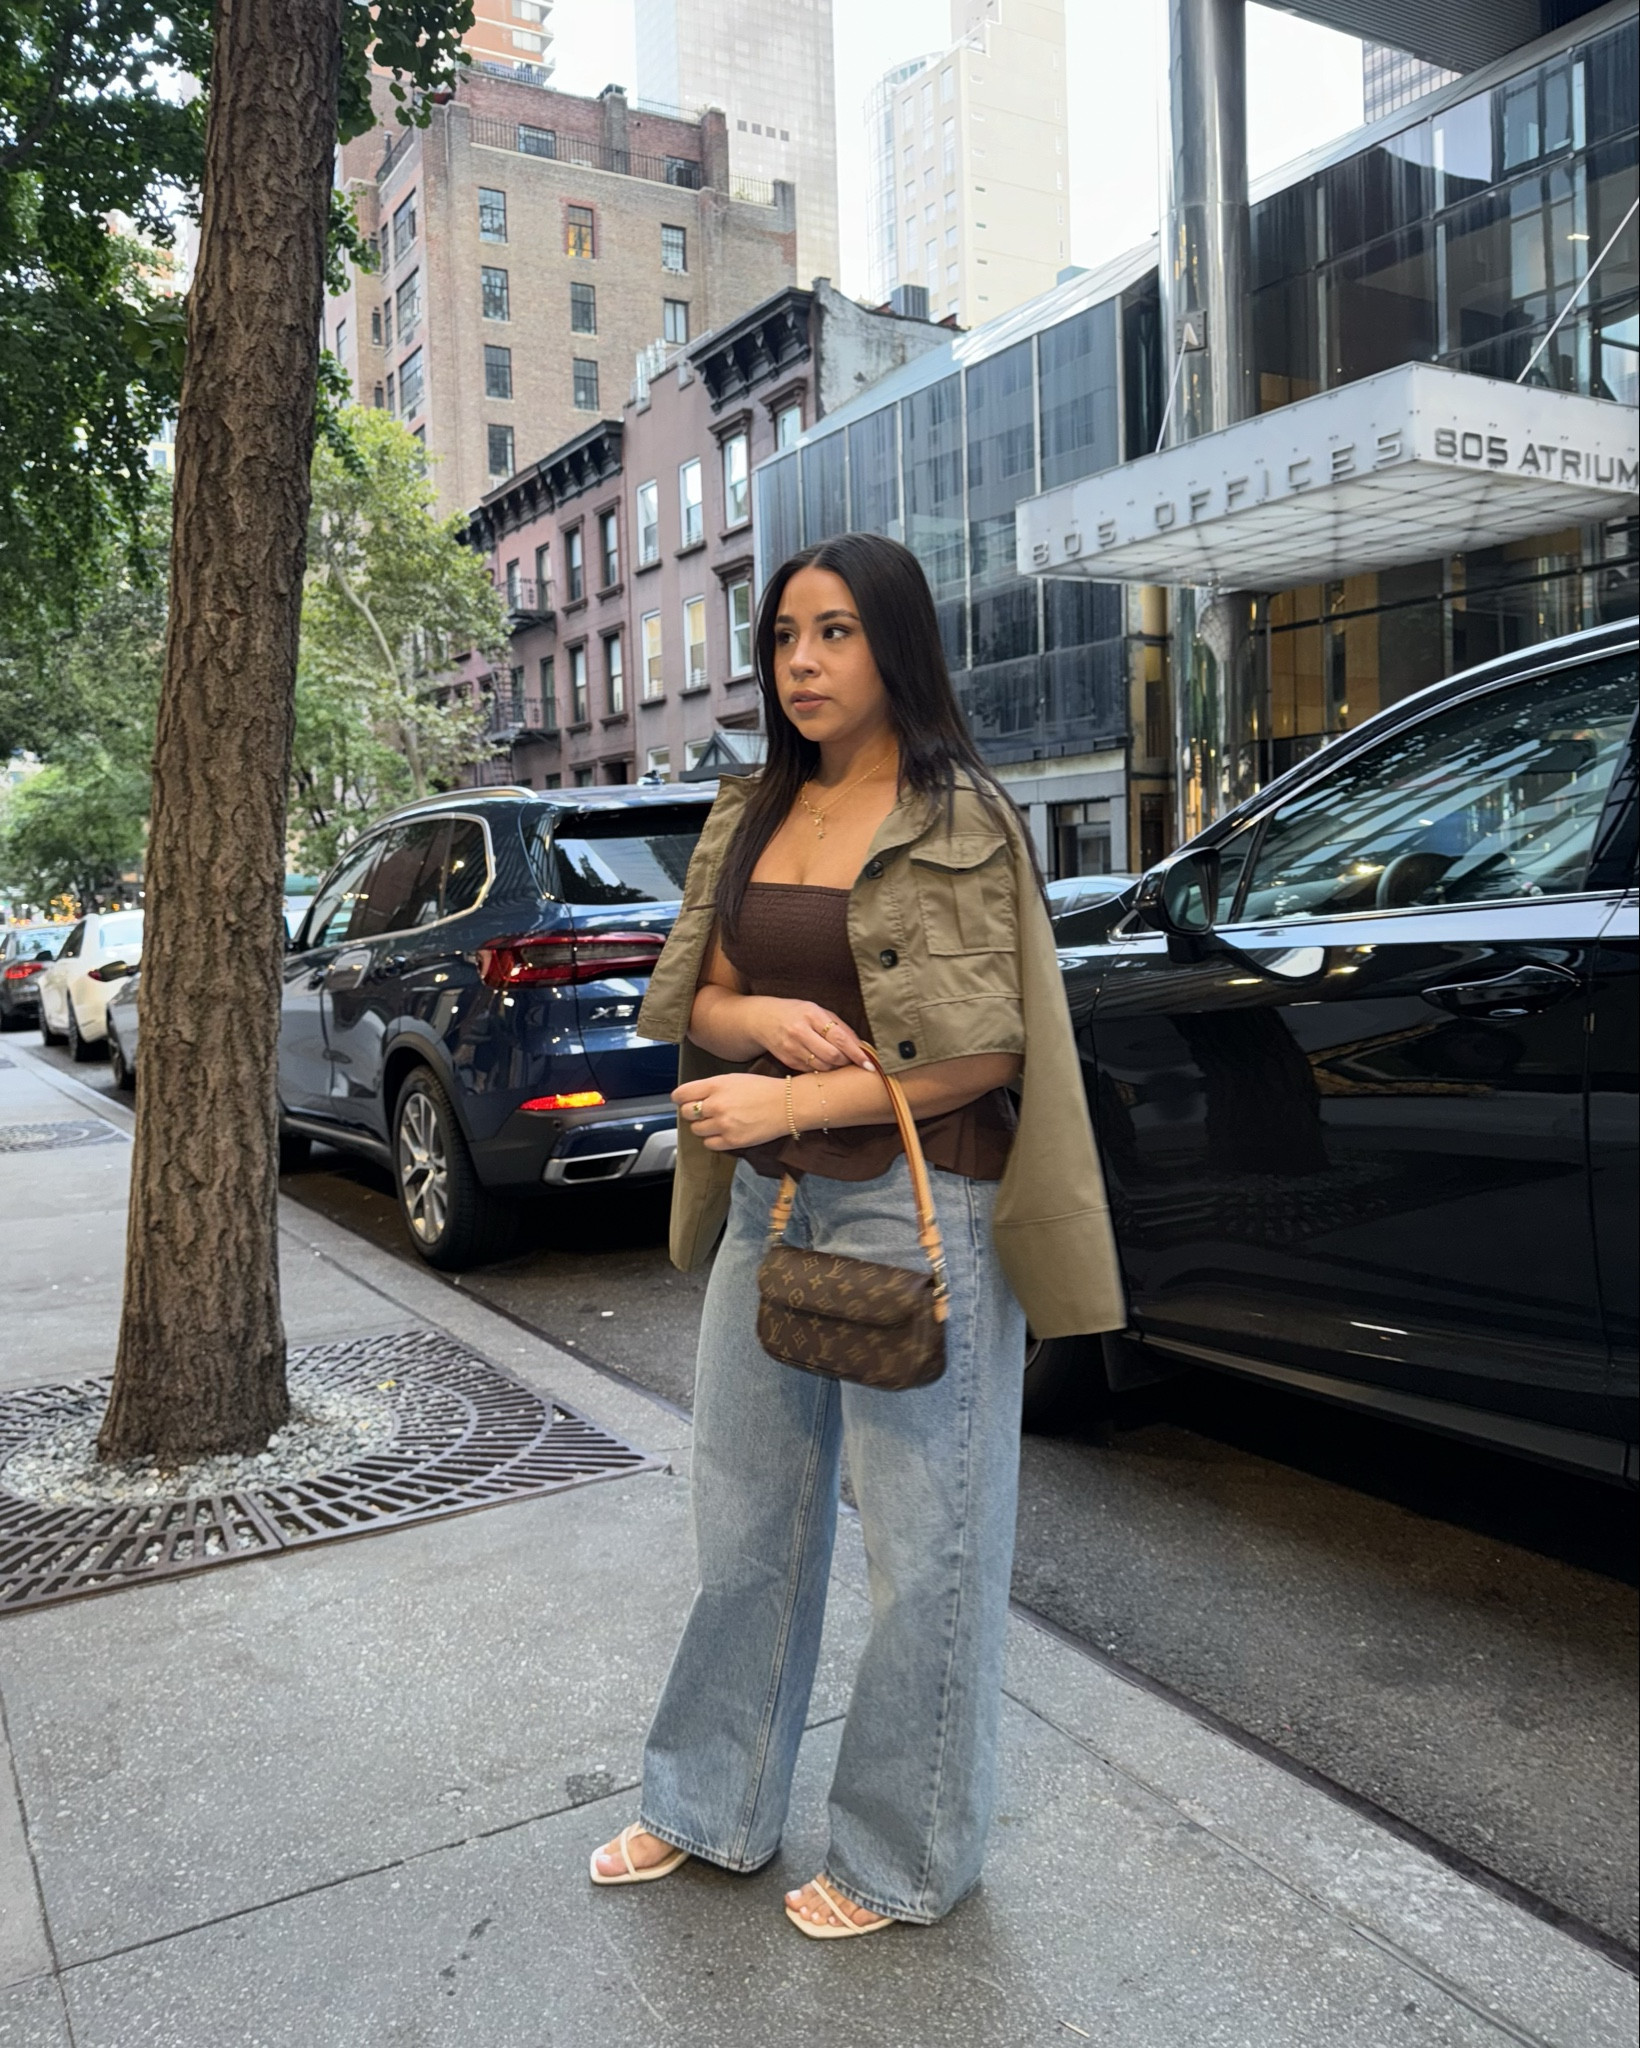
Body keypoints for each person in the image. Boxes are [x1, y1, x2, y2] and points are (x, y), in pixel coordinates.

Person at [589, 533, 1124, 1938]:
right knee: (744, 1514)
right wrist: (752, 1021)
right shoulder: (750, 813)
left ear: (895, 646)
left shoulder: (964, 818)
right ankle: (709, 1801)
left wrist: (803, 1093)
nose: (802, 663)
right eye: (782, 638)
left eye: (832, 633)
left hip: (918, 1197)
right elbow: (691, 995)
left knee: (928, 1544)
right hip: (773, 1199)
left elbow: (989, 1042)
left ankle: (904, 1853)